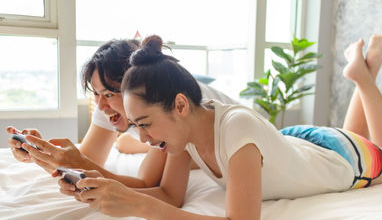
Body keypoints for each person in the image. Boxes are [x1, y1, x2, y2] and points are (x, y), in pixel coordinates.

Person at [41, 34, 382, 220]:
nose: (145, 138)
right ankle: (361, 74)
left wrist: (139, 206)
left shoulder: (235, 128)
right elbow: (170, 195)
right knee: (359, 139)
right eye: (138, 126)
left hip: (336, 156)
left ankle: (363, 78)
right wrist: (100, 187)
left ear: (179, 104)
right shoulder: (186, 133)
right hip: (300, 142)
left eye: (146, 124)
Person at [6, 38, 237, 189]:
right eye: (96, 94)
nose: (100, 106)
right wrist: (41, 153)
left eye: (107, 94)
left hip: (230, 141)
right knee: (125, 143)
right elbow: (88, 161)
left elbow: (148, 183)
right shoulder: (108, 105)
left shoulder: (168, 105)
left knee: (129, 144)